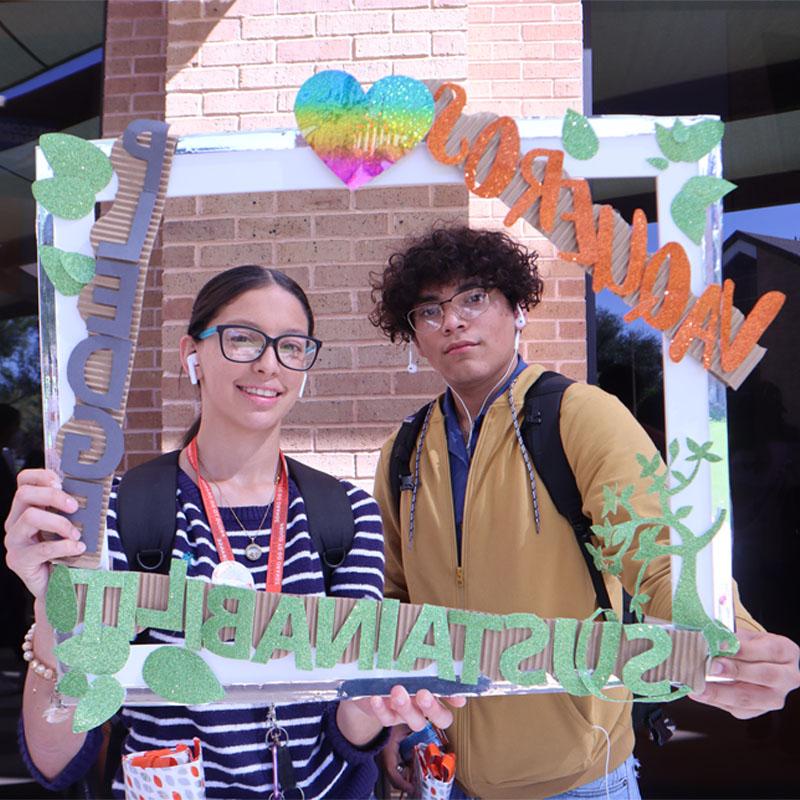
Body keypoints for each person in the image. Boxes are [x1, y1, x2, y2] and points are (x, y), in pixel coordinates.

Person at [369, 226, 800, 800]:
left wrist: (730, 639)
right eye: (429, 310)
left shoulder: (581, 415)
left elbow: (656, 555)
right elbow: (392, 598)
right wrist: (392, 722)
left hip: (578, 781)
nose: (452, 321)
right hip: (447, 775)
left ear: (517, 308)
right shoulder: (404, 447)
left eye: (474, 297)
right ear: (414, 336)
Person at [5, 265, 461, 799]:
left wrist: (371, 707)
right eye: (242, 338)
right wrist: (51, 614)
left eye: (291, 346)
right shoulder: (123, 513)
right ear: (190, 354)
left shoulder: (347, 513)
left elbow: (346, 733)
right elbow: (54, 759)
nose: (269, 363)